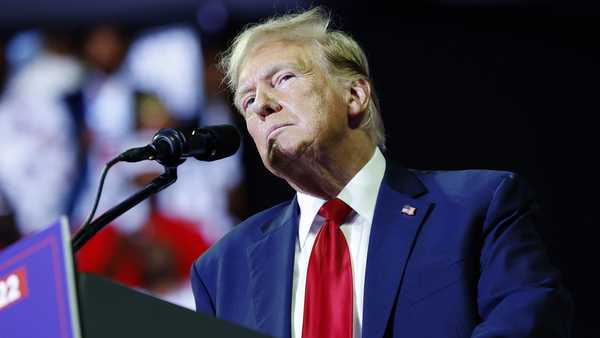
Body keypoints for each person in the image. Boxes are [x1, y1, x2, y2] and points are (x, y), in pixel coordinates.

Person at [190, 7, 573, 338]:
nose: (262, 106)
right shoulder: (224, 267)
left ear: (355, 95)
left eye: (283, 79)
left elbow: (529, 324)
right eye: (248, 99)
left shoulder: (478, 207)